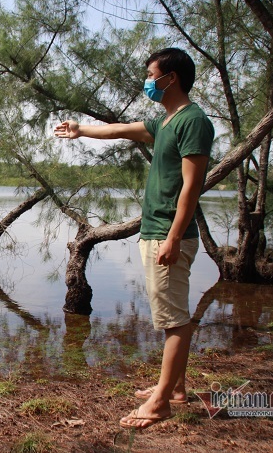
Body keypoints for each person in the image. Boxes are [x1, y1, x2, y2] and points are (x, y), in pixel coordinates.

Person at [54, 47, 214, 429]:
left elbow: (192, 187)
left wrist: (174, 237)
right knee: (170, 313)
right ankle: (175, 388)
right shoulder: (166, 122)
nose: (148, 82)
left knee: (173, 321)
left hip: (167, 234)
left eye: (151, 74)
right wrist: (81, 130)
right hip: (157, 231)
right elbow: (118, 130)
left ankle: (160, 403)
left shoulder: (193, 121)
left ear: (170, 78)